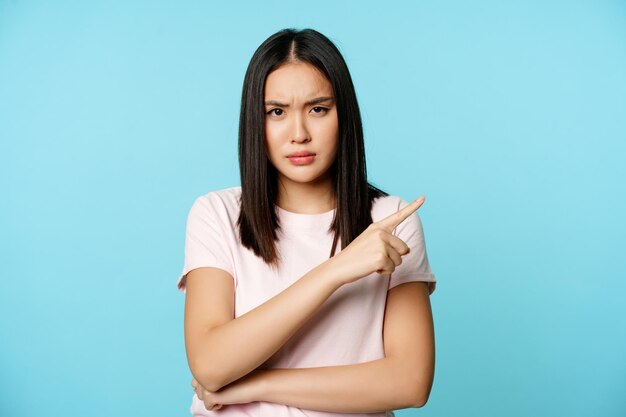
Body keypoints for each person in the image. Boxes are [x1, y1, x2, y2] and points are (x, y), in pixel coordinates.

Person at [176, 28, 437, 417]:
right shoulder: (217, 214)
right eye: (276, 112)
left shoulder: (389, 222)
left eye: (318, 109)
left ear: (342, 115)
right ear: (255, 121)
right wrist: (335, 271)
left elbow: (410, 382)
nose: (298, 134)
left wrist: (252, 385)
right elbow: (210, 364)